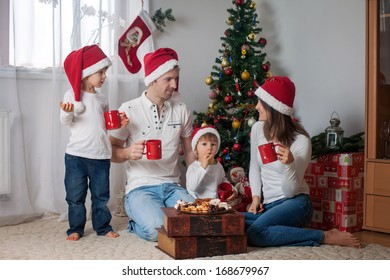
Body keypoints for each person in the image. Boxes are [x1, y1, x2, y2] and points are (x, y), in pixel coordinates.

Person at [245, 76, 361, 248]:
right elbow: (254, 166)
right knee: (235, 221)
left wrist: (289, 164)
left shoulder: (301, 141)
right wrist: (255, 198)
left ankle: (324, 236)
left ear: (274, 107)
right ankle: (278, 229)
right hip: (269, 206)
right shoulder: (257, 129)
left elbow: (290, 191)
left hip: (296, 203)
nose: (256, 106)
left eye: (261, 102)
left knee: (255, 233)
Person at [109, 48, 196, 242]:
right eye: (168, 79)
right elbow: (110, 151)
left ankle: (154, 214)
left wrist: (195, 183)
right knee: (157, 231)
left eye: (176, 78)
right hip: (141, 187)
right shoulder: (129, 109)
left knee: (197, 224)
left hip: (173, 186)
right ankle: (136, 223)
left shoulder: (181, 110)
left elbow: (189, 151)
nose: (174, 85)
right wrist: (128, 152)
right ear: (153, 79)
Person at [60, 44, 128, 241]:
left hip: (100, 155)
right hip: (76, 156)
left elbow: (105, 125)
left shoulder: (102, 98)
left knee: (101, 196)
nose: (104, 76)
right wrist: (67, 111)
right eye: (101, 71)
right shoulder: (71, 96)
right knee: (75, 196)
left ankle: (103, 226)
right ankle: (76, 228)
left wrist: (119, 123)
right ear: (86, 73)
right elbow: (66, 121)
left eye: (105, 71)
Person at [186, 126, 237, 201]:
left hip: (216, 204)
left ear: (217, 149)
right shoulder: (193, 167)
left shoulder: (218, 166)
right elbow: (191, 187)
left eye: (213, 144)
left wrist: (232, 189)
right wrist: (203, 166)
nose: (209, 148)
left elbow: (223, 181)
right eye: (204, 144)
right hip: (198, 204)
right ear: (196, 149)